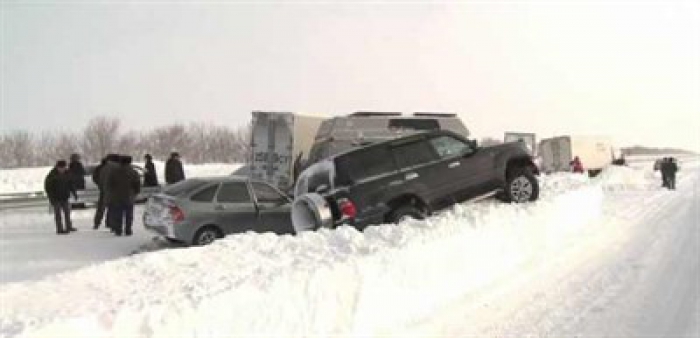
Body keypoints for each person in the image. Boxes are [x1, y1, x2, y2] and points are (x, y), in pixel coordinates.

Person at [107, 155, 141, 236]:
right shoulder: (133, 172)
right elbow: (137, 184)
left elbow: (109, 184)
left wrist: (112, 192)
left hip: (117, 196)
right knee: (129, 214)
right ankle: (128, 230)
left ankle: (118, 230)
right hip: (129, 196)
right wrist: (136, 193)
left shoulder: (114, 171)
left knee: (118, 214)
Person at [44, 160, 77, 235]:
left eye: (64, 167)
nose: (62, 169)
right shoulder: (52, 175)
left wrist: (74, 193)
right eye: (61, 168)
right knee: (58, 214)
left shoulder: (67, 174)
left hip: (65, 196)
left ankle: (69, 226)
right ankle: (60, 229)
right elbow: (48, 187)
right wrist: (51, 197)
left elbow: (71, 184)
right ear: (57, 167)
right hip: (56, 198)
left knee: (67, 213)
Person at [100, 154, 122, 232]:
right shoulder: (118, 167)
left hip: (107, 191)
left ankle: (110, 224)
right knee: (117, 209)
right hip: (116, 192)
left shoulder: (104, 168)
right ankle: (115, 225)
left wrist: (103, 187)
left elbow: (101, 179)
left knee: (111, 208)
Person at [92, 157, 108, 229]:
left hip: (102, 189)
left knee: (100, 208)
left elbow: (94, 177)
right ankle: (109, 223)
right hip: (110, 190)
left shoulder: (98, 168)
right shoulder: (110, 168)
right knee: (112, 208)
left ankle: (96, 223)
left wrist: (99, 184)